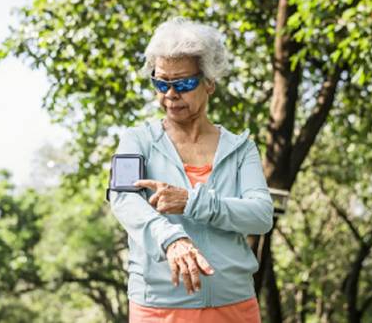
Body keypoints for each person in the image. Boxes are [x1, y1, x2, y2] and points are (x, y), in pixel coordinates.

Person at [108, 17, 273, 323]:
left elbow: (261, 215)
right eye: (160, 83)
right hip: (159, 308)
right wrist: (170, 238)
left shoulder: (241, 149)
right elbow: (123, 200)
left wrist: (192, 202)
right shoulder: (136, 140)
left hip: (235, 305)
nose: (170, 94)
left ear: (209, 82)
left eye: (182, 84)